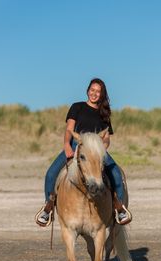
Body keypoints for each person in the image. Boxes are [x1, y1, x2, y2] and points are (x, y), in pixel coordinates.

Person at [35, 78, 132, 226]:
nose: (94, 93)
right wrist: (67, 145)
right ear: (87, 91)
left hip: (96, 149)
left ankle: (119, 209)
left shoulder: (104, 114)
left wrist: (100, 149)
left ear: (102, 94)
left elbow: (106, 139)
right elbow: (69, 129)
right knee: (51, 174)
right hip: (76, 145)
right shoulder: (77, 107)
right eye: (92, 90)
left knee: (117, 176)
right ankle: (48, 208)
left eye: (98, 91)